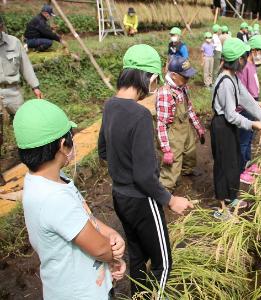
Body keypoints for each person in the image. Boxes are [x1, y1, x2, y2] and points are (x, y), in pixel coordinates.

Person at [98, 44, 193, 297]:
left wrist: (124, 166)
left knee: (138, 257)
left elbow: (104, 152)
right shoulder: (140, 115)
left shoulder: (109, 105)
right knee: (163, 264)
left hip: (120, 197)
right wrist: (170, 200)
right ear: (148, 78)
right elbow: (143, 176)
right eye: (154, 82)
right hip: (142, 200)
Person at [14, 99, 126, 299]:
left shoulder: (46, 180)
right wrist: (114, 256)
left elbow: (81, 217)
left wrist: (108, 232)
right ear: (63, 146)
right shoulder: (54, 198)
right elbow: (100, 249)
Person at [211, 38, 261, 220]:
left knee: (233, 162)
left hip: (229, 125)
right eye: (244, 57)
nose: (246, 60)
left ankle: (232, 198)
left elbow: (247, 99)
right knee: (223, 166)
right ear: (238, 59)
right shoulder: (225, 81)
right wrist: (252, 124)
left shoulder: (233, 77)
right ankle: (221, 209)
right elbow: (231, 115)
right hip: (221, 125)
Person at [156, 56, 205, 192]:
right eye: (185, 77)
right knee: (173, 162)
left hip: (185, 127)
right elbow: (161, 124)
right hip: (172, 132)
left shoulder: (183, 87)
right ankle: (165, 189)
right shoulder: (166, 93)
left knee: (190, 151)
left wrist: (198, 127)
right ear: (173, 75)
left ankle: (186, 171)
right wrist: (166, 149)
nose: (188, 79)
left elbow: (189, 108)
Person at [0, 15, 42, 151]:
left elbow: (26, 66)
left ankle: (32, 153)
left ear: (1, 27)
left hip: (13, 91)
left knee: (25, 124)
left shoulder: (14, 42)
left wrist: (35, 86)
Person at [236, 35, 261, 184]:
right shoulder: (244, 67)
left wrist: (258, 102)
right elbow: (241, 93)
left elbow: (252, 90)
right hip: (245, 108)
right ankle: (240, 170)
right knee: (243, 140)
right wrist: (255, 104)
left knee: (249, 138)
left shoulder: (252, 66)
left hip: (253, 104)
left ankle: (248, 163)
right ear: (254, 50)